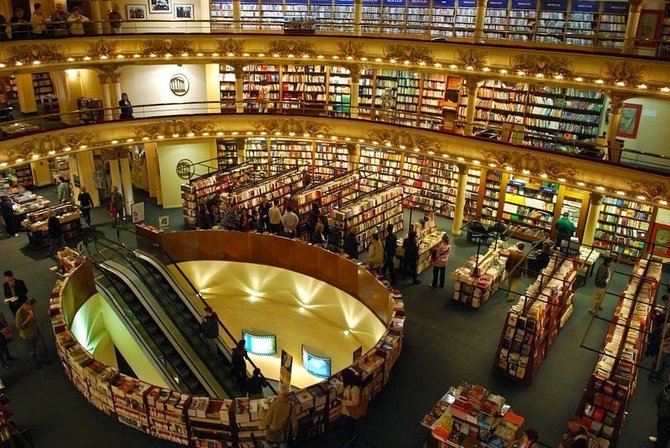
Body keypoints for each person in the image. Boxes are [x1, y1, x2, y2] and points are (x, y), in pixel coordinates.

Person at [15, 299, 51, 369]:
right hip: (28, 335)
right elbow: (19, 326)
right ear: (27, 305)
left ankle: (45, 359)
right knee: (32, 351)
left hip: (36, 331)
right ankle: (36, 364)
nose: (34, 308)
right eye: (33, 306)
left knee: (42, 345)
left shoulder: (30, 309)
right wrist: (28, 319)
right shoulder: (20, 313)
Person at [341, 368, 365, 432]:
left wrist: (342, 402)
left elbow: (355, 402)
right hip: (347, 410)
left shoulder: (354, 388)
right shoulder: (349, 385)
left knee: (346, 426)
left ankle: (347, 437)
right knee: (346, 426)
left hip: (350, 411)